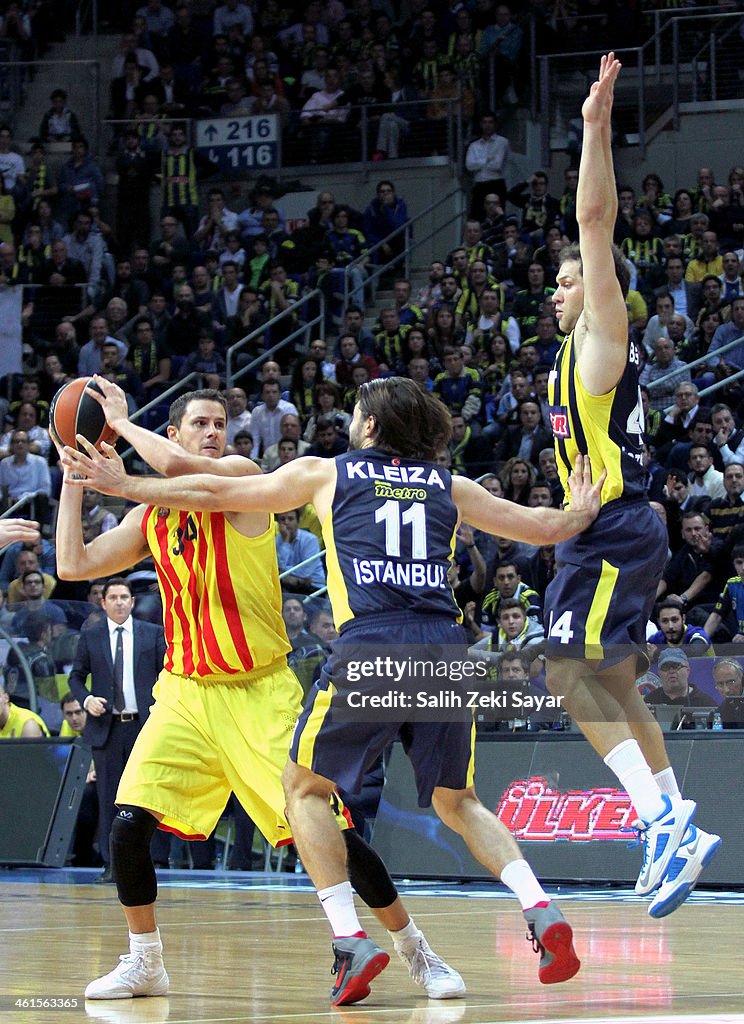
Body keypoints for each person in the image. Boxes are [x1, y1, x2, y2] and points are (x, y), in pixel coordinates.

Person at [64, 377, 608, 1004]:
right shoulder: (447, 483)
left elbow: (207, 483)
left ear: (370, 428)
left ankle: (357, 942)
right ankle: (538, 906)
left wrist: (122, 476)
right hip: (442, 644)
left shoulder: (329, 473)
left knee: (306, 793)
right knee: (460, 802)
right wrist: (582, 509)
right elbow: (543, 528)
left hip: (363, 646)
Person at [545, 54, 720, 921]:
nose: (559, 284)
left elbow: (594, 216)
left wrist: (594, 124)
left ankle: (659, 824)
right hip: (604, 527)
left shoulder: (599, 342)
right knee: (611, 683)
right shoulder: (564, 363)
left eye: (570, 276)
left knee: (563, 675)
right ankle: (676, 817)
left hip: (612, 528)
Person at [68, 577, 167, 884]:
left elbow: (170, 672)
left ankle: (155, 860)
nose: (120, 602)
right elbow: (75, 677)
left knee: (149, 795)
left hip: (144, 726)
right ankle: (113, 865)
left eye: (125, 597)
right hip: (106, 727)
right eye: (114, 597)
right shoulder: (91, 635)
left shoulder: (152, 634)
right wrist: (86, 699)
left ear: (133, 602)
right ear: (104, 602)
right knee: (109, 796)